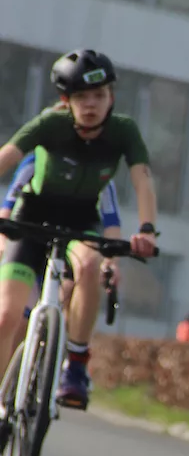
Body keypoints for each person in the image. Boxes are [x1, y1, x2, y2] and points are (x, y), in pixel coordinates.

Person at [0, 49, 157, 411]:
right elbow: (8, 155)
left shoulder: (123, 131)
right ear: (65, 101)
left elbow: (143, 179)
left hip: (82, 219)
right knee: (6, 317)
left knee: (89, 265)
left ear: (111, 98)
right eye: (81, 97)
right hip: (32, 215)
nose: (91, 105)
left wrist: (147, 229)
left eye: (99, 95)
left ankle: (76, 365)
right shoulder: (50, 124)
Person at [0, 153, 125, 357]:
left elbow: (112, 224)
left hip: (68, 251)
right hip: (31, 243)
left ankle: (67, 359)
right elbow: (7, 208)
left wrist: (111, 262)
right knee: (18, 321)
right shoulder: (36, 160)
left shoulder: (100, 171)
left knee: (73, 293)